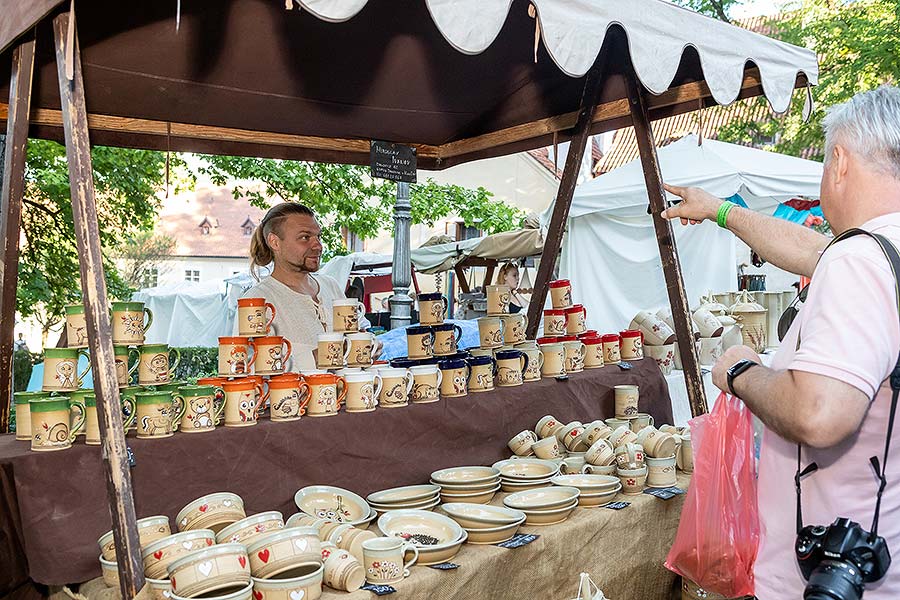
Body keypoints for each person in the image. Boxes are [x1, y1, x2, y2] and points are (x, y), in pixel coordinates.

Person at [661, 86, 900, 599]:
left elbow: (820, 414)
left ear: (838, 161)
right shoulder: (880, 250)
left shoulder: (859, 260)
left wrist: (742, 372)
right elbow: (814, 249)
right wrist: (720, 211)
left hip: (837, 575)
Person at [241, 202, 380, 371]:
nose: (318, 246)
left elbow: (359, 331)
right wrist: (318, 356)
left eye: (318, 237)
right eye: (305, 238)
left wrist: (369, 343)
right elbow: (247, 367)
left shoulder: (330, 285)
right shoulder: (256, 300)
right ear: (274, 242)